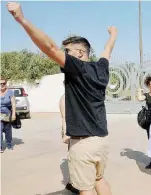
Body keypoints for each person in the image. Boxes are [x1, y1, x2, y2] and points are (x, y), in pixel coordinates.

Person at [7, 2, 117, 195]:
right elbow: (107, 50)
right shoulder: (101, 68)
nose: (64, 55)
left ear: (80, 53)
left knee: (86, 189)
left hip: (83, 144)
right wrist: (113, 34)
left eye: (68, 51)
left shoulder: (77, 68)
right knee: (99, 179)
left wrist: (21, 19)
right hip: (101, 141)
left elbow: (49, 47)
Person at [59, 82, 79, 194]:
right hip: (72, 133)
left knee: (78, 158)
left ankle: (75, 182)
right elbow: (64, 118)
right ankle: (72, 183)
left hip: (81, 133)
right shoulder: (65, 98)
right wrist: (65, 134)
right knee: (74, 159)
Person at [0, 77, 16, 153]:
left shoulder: (10, 92)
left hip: (7, 114)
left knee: (8, 130)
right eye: (0, 83)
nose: (2, 85)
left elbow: (13, 103)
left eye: (4, 83)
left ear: (6, 84)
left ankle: (9, 144)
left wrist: (13, 114)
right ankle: (0, 146)